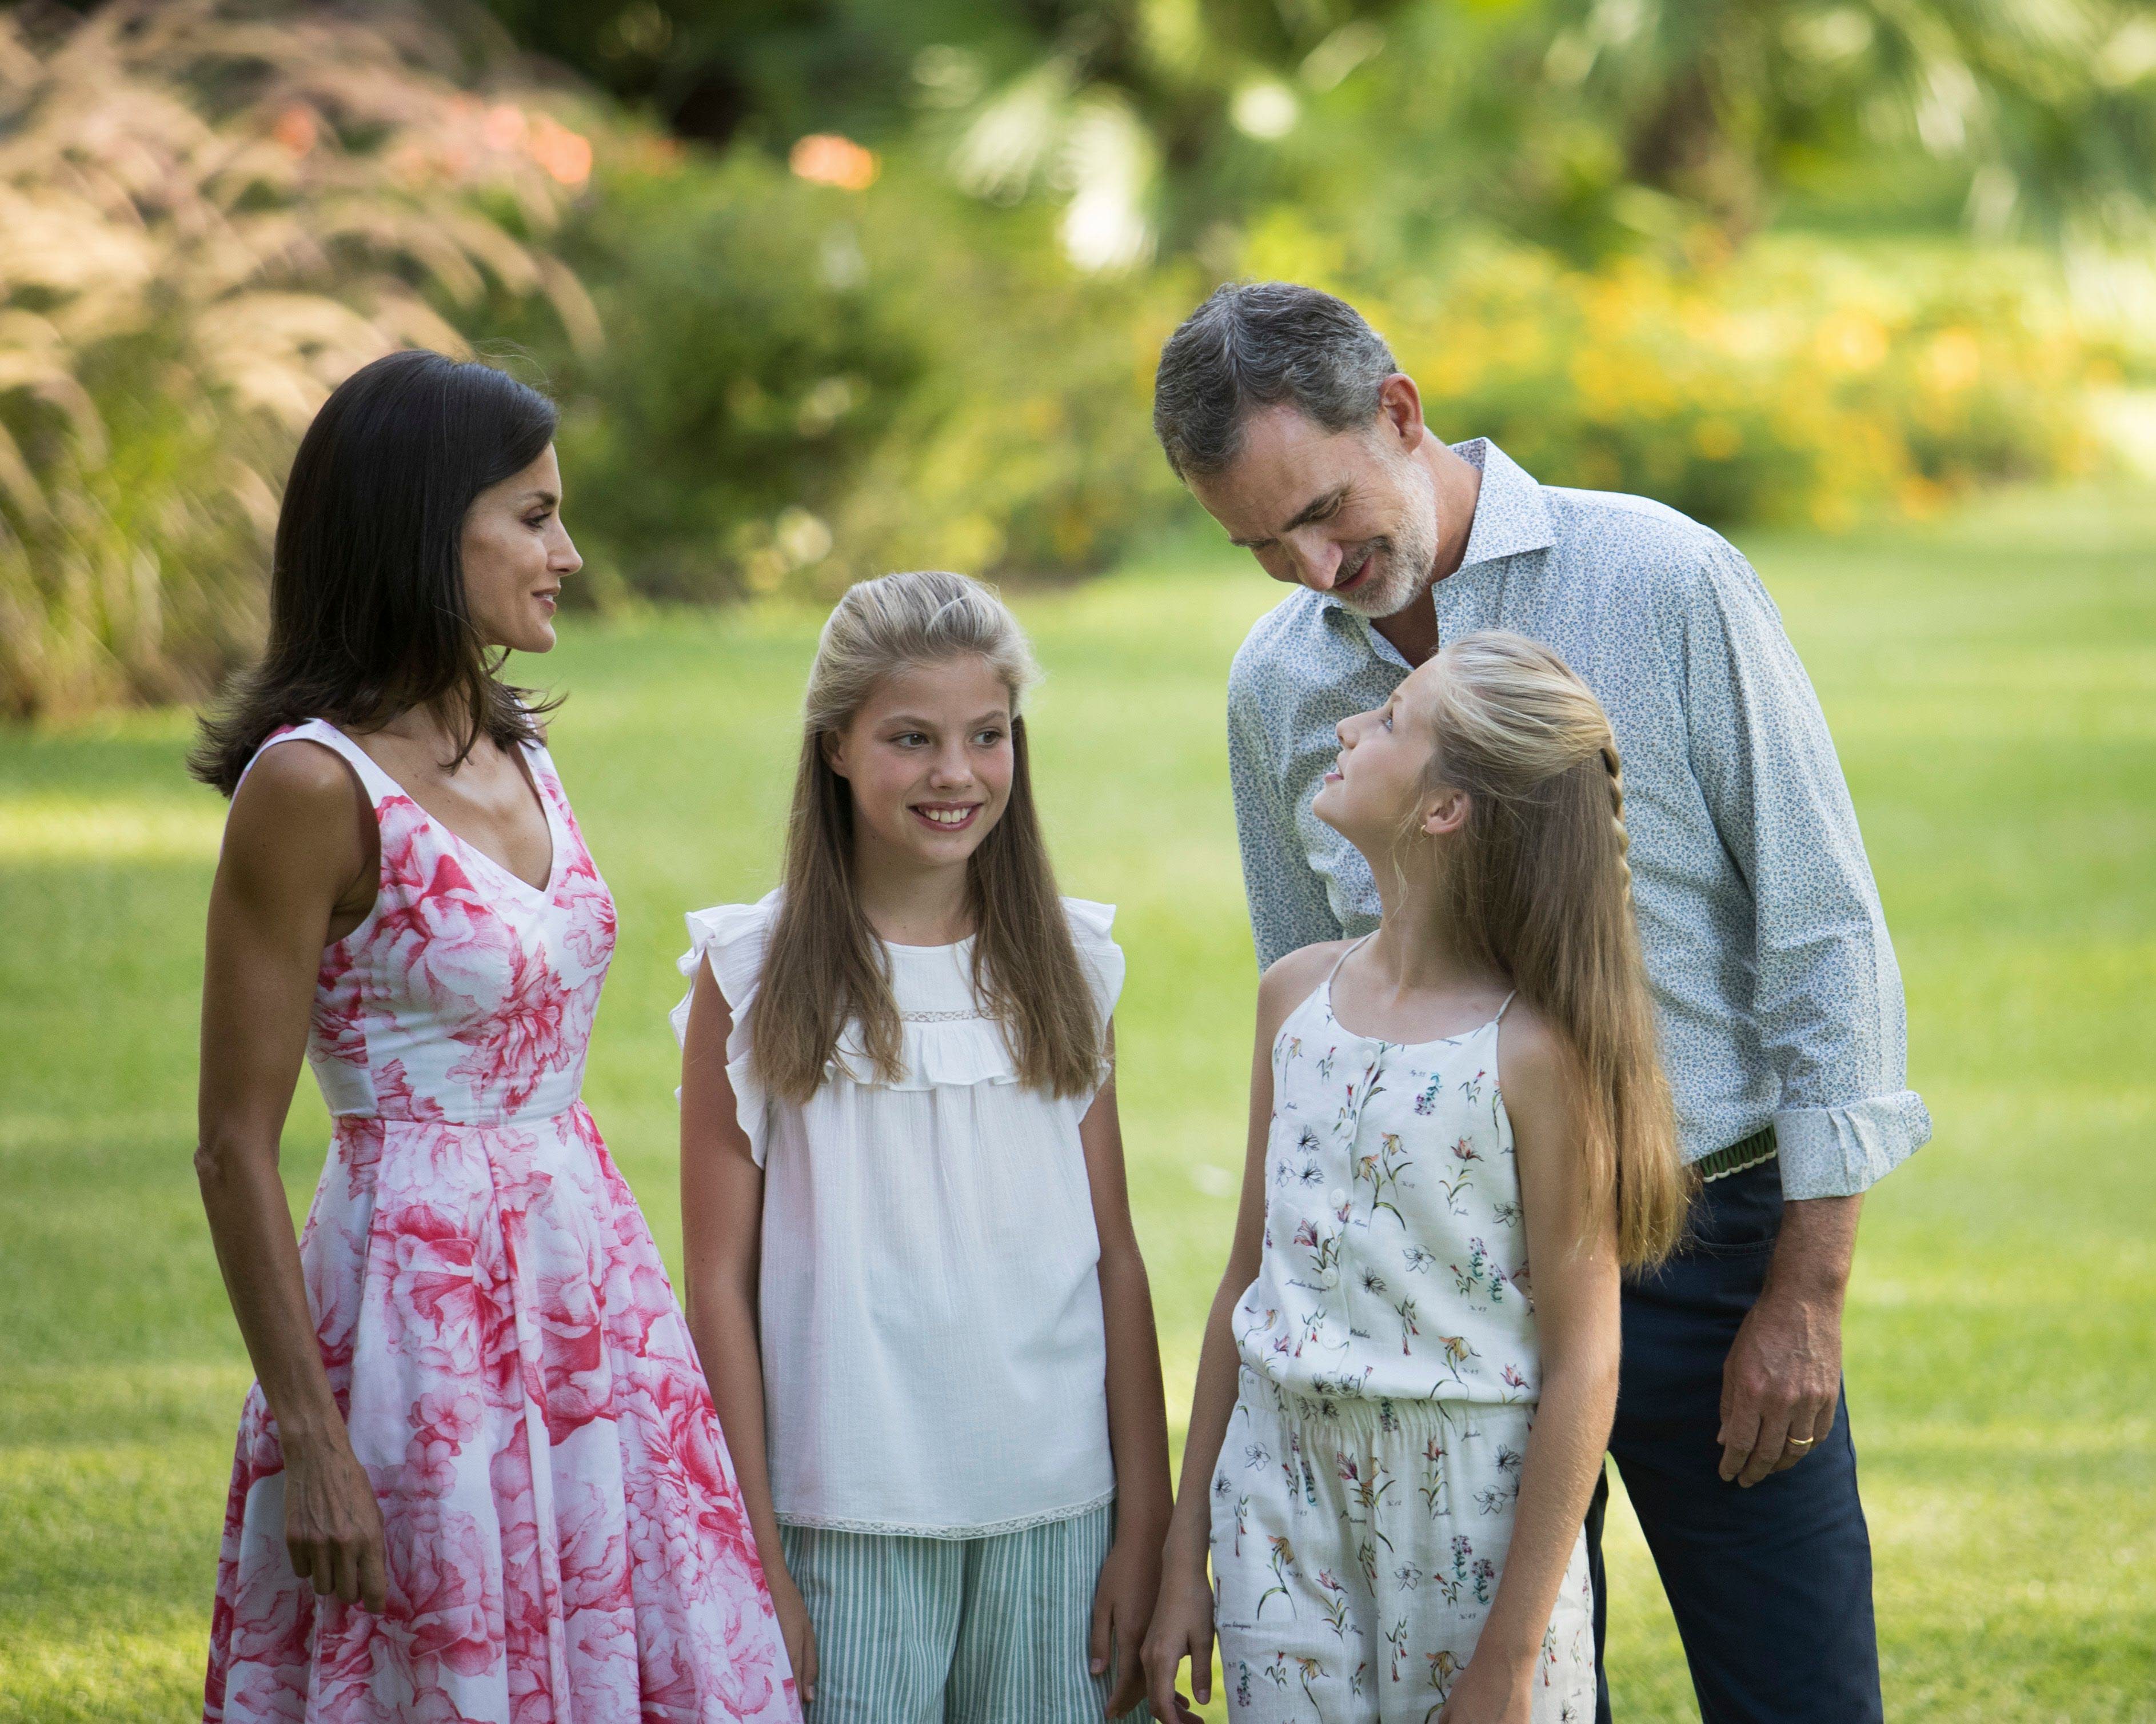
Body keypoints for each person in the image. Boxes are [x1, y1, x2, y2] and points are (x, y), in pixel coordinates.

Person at [1151, 283, 1931, 1723]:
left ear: (1398, 410)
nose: (1311, 564)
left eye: (1322, 511)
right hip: (1444, 1289)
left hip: (1712, 1240)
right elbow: (1312, 1011)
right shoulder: (1278, 692)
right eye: (1259, 543)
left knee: (1800, 1693)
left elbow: (1823, 928)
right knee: (1509, 1691)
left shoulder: (1663, 578)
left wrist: (1805, 1288)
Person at [191, 349, 799, 1722]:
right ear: (422, 524)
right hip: (415, 1313)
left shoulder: (522, 749)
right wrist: (313, 1436)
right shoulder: (308, 786)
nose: (568, 553)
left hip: (586, 1278)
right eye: (531, 516)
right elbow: (232, 1146)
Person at [1143, 632, 1691, 1723]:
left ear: (1445, 811)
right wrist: (1183, 1553)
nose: (1349, 728)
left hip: (1471, 1524)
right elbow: (1243, 1286)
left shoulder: (1537, 1053)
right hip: (1278, 1502)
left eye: (1390, 720)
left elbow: (1587, 1363)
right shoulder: (1291, 999)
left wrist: (1511, 1658)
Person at [670, 569, 1172, 1724]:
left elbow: (1116, 1258)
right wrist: (756, 1551)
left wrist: (1140, 1524)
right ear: (835, 744)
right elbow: (715, 1284)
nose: (955, 771)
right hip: (840, 1515)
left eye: (986, 735)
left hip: (1058, 1511)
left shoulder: (1071, 960)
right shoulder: (747, 971)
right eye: (911, 737)